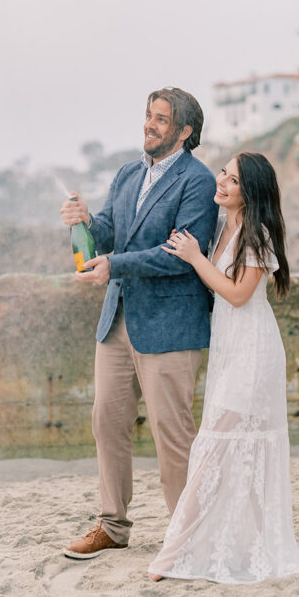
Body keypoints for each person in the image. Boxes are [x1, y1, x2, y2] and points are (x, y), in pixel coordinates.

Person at [60, 87, 218, 559]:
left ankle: (188, 535)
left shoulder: (199, 182)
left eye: (162, 119)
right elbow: (111, 230)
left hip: (171, 325)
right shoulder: (129, 173)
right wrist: (86, 220)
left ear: (185, 131)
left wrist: (115, 265)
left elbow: (182, 251)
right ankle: (112, 525)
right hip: (117, 322)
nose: (150, 125)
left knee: (174, 435)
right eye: (149, 115)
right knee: (107, 424)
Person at [147, 152, 299, 584]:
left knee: (216, 446)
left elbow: (237, 295)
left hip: (253, 350)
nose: (222, 182)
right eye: (223, 173)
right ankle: (232, 545)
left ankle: (172, 553)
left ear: (249, 192)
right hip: (229, 347)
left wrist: (196, 258)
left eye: (232, 180)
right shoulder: (222, 226)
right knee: (229, 448)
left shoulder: (258, 234)